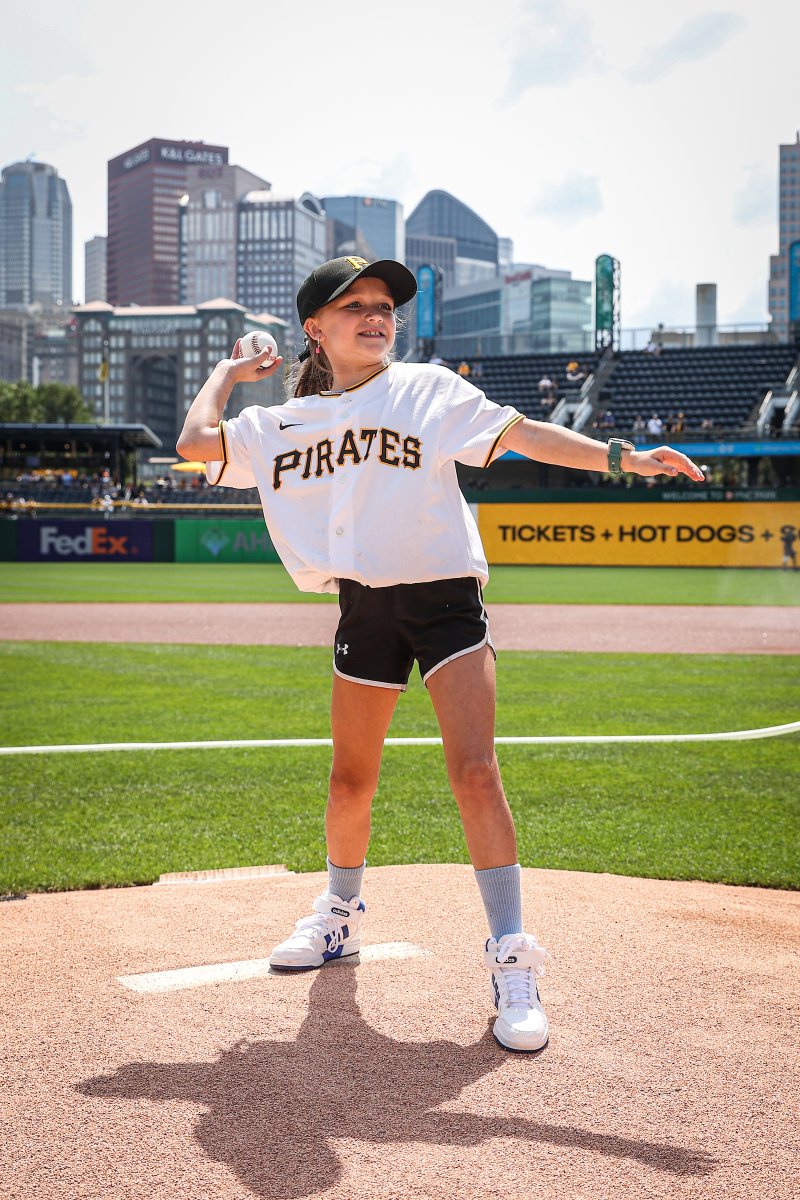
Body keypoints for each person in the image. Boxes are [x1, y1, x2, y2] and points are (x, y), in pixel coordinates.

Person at [176, 255, 704, 1054]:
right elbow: (193, 442)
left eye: (384, 304)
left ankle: (511, 960)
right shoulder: (278, 427)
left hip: (446, 600)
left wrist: (622, 457)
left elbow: (522, 435)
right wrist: (226, 370)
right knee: (350, 780)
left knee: (475, 772)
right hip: (366, 605)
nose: (375, 315)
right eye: (353, 305)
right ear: (314, 329)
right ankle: (340, 914)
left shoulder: (427, 388)